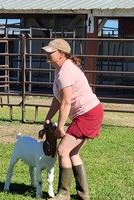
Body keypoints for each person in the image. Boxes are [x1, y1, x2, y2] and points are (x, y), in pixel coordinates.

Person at [41, 39, 103, 200]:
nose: (47, 55)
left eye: (50, 52)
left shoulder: (66, 72)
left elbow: (66, 102)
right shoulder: (60, 69)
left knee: (62, 150)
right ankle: (83, 195)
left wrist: (60, 127)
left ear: (62, 54)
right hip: (88, 113)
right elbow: (58, 98)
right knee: (72, 152)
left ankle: (63, 193)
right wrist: (48, 118)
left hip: (88, 114)